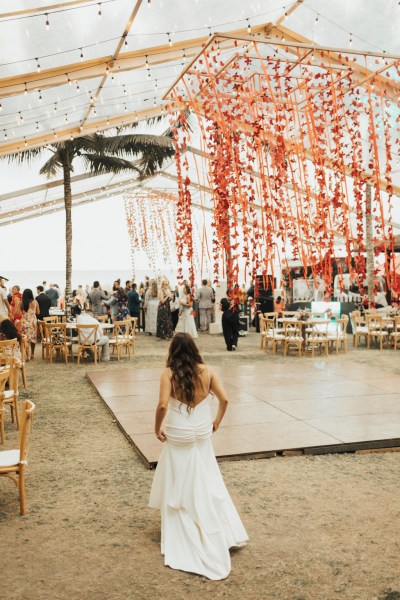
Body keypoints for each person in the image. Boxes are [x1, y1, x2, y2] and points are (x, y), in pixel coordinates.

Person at [149, 333, 248, 580]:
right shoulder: (208, 371)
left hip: (180, 432)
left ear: (172, 350)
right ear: (194, 349)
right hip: (202, 430)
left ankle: (183, 512)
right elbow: (224, 399)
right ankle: (217, 524)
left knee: (178, 472)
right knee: (207, 474)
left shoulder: (168, 374)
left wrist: (156, 428)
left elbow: (162, 406)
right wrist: (216, 422)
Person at [20, 288, 39, 360]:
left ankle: (26, 355)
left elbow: (20, 313)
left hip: (24, 322)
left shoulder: (21, 303)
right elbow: (38, 312)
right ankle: (32, 354)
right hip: (32, 323)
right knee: (33, 338)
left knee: (25, 338)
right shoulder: (35, 302)